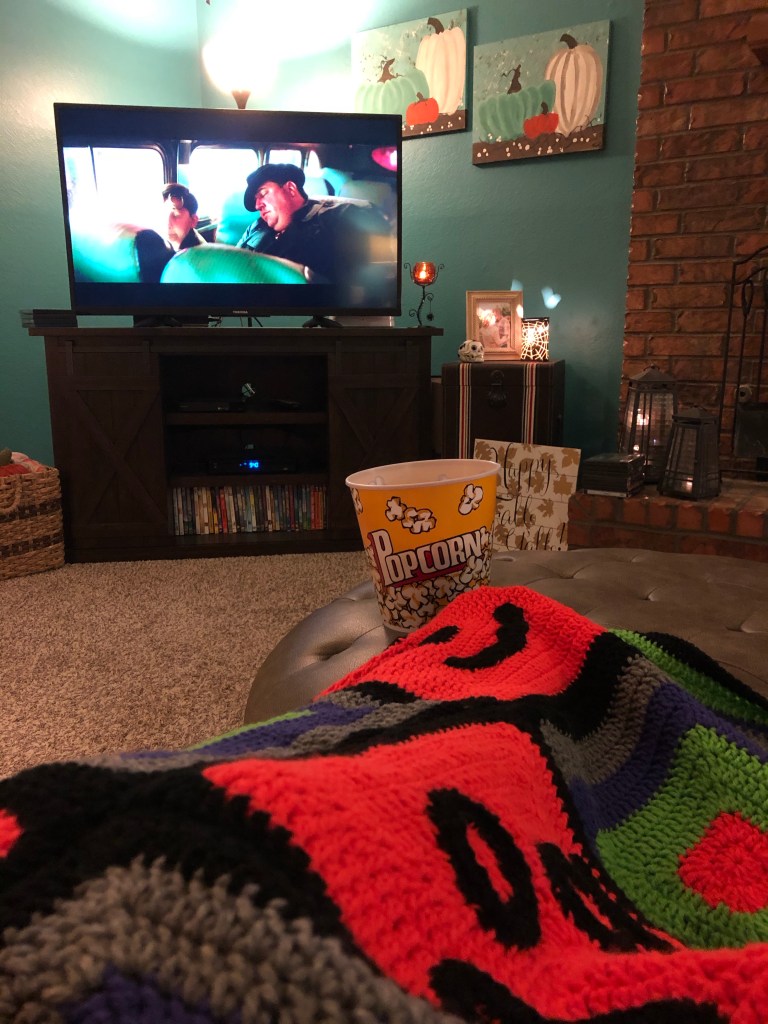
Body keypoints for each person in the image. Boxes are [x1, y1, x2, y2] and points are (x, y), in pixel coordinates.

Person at [237, 163, 385, 282]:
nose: (257, 206)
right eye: (255, 200)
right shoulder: (257, 227)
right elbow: (231, 261)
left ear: (291, 189)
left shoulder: (342, 218)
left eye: (263, 194)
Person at [162, 183, 206, 250]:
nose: (168, 224)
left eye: (176, 215)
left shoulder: (197, 254)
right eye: (164, 214)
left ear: (193, 221)